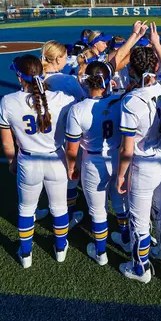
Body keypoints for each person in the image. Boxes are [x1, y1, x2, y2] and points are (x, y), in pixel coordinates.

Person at [0, 54, 77, 268]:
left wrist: (11, 162)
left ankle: (26, 254)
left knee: (26, 208)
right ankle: (60, 249)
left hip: (28, 161)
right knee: (59, 207)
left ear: (19, 77)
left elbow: (7, 143)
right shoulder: (62, 98)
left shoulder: (8, 101)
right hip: (56, 159)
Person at [116, 22, 161, 283]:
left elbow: (127, 147)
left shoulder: (130, 101)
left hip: (142, 164)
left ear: (131, 69)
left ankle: (140, 269)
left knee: (139, 219)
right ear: (153, 67)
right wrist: (155, 42)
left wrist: (120, 175)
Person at [65, 61, 126, 266]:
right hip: (117, 157)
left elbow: (72, 148)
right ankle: (125, 239)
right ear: (108, 81)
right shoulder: (120, 101)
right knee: (119, 203)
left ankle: (101, 252)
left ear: (86, 80)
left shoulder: (78, 109)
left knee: (98, 209)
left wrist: (72, 168)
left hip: (93, 160)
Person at [39, 41, 87, 228]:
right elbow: (84, 102)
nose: (67, 60)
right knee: (70, 180)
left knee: (45, 181)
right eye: (65, 56)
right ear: (57, 58)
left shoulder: (37, 79)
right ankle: (67, 217)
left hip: (41, 138)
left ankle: (47, 209)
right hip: (67, 139)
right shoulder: (67, 80)